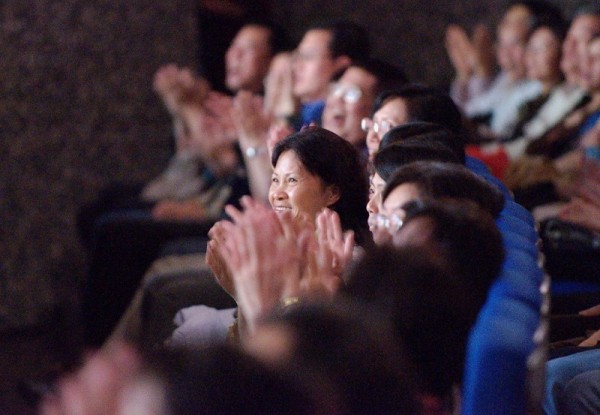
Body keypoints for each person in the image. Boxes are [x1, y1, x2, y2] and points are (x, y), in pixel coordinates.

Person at [170, 127, 369, 346]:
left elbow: (284, 352)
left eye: (291, 180)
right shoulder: (285, 243)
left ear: (332, 193)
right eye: (275, 180)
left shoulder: (348, 261)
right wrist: (240, 295)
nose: (277, 194)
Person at [291, 20, 370, 128]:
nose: (297, 66)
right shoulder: (298, 117)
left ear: (341, 65)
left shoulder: (338, 124)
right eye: (298, 56)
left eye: (308, 56)